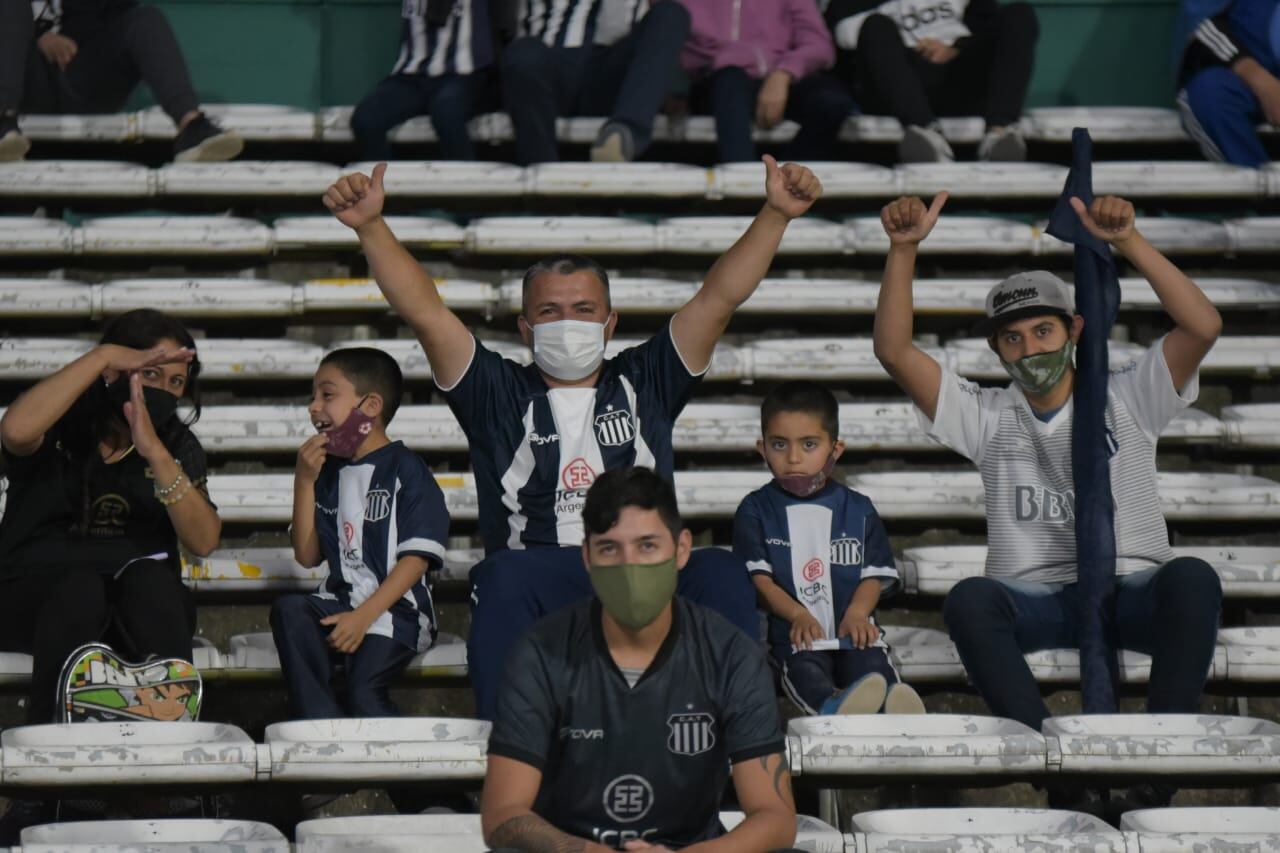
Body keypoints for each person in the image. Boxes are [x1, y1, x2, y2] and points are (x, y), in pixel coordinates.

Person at [322, 156, 822, 721]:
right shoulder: (495, 392)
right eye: (550, 311)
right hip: (542, 571)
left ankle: (735, 743)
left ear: (609, 324)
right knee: (501, 574)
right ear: (525, 328)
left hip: (643, 565)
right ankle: (513, 754)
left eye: (584, 310)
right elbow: (426, 311)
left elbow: (718, 298)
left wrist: (776, 215)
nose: (568, 322)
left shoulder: (648, 378)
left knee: (722, 571)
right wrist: (371, 227)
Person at [872, 192, 1224, 813]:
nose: (1030, 349)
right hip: (1038, 600)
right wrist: (904, 250)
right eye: (1012, 339)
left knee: (1193, 579)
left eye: (1043, 330)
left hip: (1129, 586)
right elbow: (894, 352)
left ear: (1074, 329)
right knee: (969, 601)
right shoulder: (986, 414)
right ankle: (1058, 774)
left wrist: (1128, 243)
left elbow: (1203, 325)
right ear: (996, 350)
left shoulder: (1127, 395)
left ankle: (1162, 771)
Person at [481, 466, 800, 853]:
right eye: (609, 548)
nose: (629, 566)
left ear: (682, 549)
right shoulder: (539, 653)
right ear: (586, 557)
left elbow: (775, 817)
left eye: (647, 545)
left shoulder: (731, 654)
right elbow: (502, 816)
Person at [0, 308, 221, 725]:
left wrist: (155, 451)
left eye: (176, 382)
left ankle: (168, 755)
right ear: (116, 371)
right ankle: (52, 750)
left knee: (152, 581)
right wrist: (102, 356)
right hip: (35, 595)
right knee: (81, 590)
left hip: (135, 606)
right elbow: (15, 431)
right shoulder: (60, 421)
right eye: (150, 374)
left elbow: (204, 540)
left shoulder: (175, 443)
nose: (164, 392)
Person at [270, 348, 449, 719]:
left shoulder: (406, 469)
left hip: (396, 611)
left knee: (363, 690)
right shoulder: (327, 472)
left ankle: (401, 767)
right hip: (340, 602)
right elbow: (306, 556)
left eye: (327, 395)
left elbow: (416, 561)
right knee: (289, 610)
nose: (313, 406)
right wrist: (304, 481)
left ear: (369, 407)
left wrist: (363, 616)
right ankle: (321, 724)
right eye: (313, 396)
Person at [734, 380, 925, 716]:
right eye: (779, 445)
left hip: (854, 633)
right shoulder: (755, 509)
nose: (793, 458)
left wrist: (856, 613)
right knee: (806, 673)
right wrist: (797, 614)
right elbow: (760, 582)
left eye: (809, 444)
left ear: (835, 450)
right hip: (797, 640)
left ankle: (893, 709)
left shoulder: (859, 508)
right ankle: (832, 706)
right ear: (762, 449)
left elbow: (873, 575)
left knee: (872, 667)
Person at [0, 0, 242, 162]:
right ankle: (2, 121)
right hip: (22, 79)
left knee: (145, 18)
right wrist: (40, 35)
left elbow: (118, 22)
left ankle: (191, 126)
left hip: (80, 76)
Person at [824, 0, 1038, 162]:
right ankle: (923, 136)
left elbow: (985, 30)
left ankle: (999, 134)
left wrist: (956, 49)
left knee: (1019, 13)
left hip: (958, 73)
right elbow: (845, 42)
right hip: (896, 84)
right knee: (876, 25)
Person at [500, 0, 691, 163]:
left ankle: (621, 137)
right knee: (524, 54)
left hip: (611, 77)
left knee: (672, 15)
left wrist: (677, 85)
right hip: (546, 68)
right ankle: (542, 170)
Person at [679, 0, 854, 163]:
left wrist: (783, 73)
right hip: (713, 80)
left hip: (782, 74)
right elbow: (671, 42)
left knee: (832, 101)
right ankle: (743, 187)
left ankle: (786, 185)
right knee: (730, 81)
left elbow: (819, 44)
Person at [349, 0, 500, 161]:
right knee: (366, 118)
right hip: (412, 74)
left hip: (464, 73)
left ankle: (466, 184)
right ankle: (384, 183)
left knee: (447, 112)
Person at [1174, 0, 1278, 167]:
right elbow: (1200, 25)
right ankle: (1256, 188)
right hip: (1244, 75)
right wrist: (1261, 81)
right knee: (1209, 94)